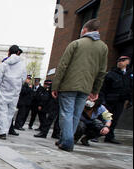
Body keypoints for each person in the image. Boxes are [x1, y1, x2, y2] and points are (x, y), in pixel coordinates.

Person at [52, 18, 108, 152]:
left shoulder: (76, 44)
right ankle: (65, 139)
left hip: (69, 85)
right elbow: (102, 71)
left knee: (66, 113)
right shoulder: (103, 48)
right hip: (86, 88)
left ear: (84, 30)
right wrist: (95, 90)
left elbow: (63, 66)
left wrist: (55, 86)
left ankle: (67, 141)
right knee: (76, 114)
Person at [0, 45, 27, 139]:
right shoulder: (22, 65)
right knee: (10, 112)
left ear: (9, 52)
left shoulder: (5, 64)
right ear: (17, 53)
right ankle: (5, 130)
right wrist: (17, 86)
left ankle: (2, 131)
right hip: (15, 92)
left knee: (1, 111)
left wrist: (0, 86)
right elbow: (23, 78)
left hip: (4, 90)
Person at [100, 55, 133, 144]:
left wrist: (129, 100)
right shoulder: (111, 73)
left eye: (122, 60)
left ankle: (109, 136)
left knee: (115, 118)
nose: (119, 62)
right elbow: (104, 88)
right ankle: (97, 134)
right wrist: (103, 100)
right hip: (110, 100)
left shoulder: (129, 74)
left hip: (120, 101)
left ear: (128, 62)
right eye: (118, 60)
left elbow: (130, 87)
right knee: (105, 117)